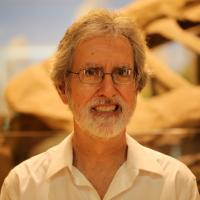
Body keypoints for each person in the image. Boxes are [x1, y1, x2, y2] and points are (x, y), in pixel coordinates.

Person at [1, 9, 199, 200]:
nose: (108, 90)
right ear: (63, 89)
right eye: (91, 72)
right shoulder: (22, 187)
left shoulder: (177, 185)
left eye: (122, 73)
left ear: (137, 88)